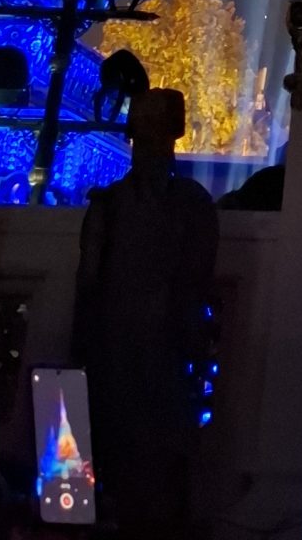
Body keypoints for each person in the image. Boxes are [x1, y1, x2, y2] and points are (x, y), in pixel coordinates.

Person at [73, 84, 218, 540]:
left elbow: (195, 281)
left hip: (155, 350)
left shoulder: (186, 204)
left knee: (152, 463)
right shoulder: (113, 205)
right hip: (127, 351)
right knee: (129, 458)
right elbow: (89, 287)